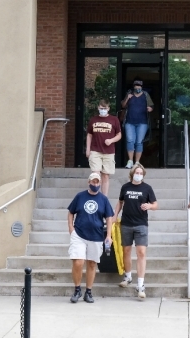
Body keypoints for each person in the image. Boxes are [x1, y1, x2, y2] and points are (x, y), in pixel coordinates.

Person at [67, 172, 114, 304]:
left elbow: (109, 218)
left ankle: (88, 292)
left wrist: (109, 236)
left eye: (97, 182)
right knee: (78, 262)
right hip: (79, 234)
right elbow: (70, 212)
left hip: (96, 236)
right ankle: (77, 290)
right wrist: (71, 228)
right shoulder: (80, 196)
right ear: (89, 182)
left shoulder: (103, 199)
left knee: (92, 264)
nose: (95, 184)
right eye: (93, 182)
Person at [114, 163, 158, 299]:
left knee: (141, 252)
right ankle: (127, 276)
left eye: (141, 173)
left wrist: (150, 206)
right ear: (132, 174)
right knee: (126, 251)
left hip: (141, 224)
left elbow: (156, 204)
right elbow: (120, 202)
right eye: (137, 173)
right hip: (126, 223)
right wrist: (115, 215)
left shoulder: (147, 188)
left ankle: (141, 284)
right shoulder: (125, 187)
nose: (139, 175)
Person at [86, 98, 122, 196]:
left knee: (105, 176)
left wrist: (111, 140)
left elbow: (119, 135)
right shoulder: (93, 120)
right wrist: (88, 149)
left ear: (108, 108)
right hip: (95, 150)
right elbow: (89, 135)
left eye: (105, 108)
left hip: (109, 152)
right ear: (98, 108)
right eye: (101, 108)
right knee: (95, 175)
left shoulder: (114, 120)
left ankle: (104, 198)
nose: (103, 110)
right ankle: (95, 195)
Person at [121, 78, 154, 168]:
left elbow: (151, 106)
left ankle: (137, 162)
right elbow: (123, 106)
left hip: (142, 123)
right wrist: (127, 98)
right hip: (130, 122)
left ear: (141, 87)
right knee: (130, 141)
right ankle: (130, 161)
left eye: (139, 86)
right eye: (136, 86)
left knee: (139, 142)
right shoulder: (129, 94)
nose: (138, 87)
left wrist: (150, 109)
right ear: (134, 87)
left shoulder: (146, 95)